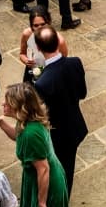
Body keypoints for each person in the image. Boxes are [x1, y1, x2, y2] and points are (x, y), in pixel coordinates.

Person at [33, 26, 88, 194]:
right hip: (75, 128)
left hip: (57, 137)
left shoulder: (42, 83)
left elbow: (43, 116)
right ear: (58, 42)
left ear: (38, 48)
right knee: (68, 171)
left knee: (58, 176)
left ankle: (59, 204)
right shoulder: (75, 62)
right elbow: (82, 93)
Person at [18, 8, 69, 82]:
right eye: (36, 25)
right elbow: (22, 54)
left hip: (51, 74)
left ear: (49, 22)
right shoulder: (27, 34)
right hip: (32, 72)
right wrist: (26, 61)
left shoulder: (59, 40)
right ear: (31, 26)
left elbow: (62, 62)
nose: (40, 28)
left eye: (43, 24)